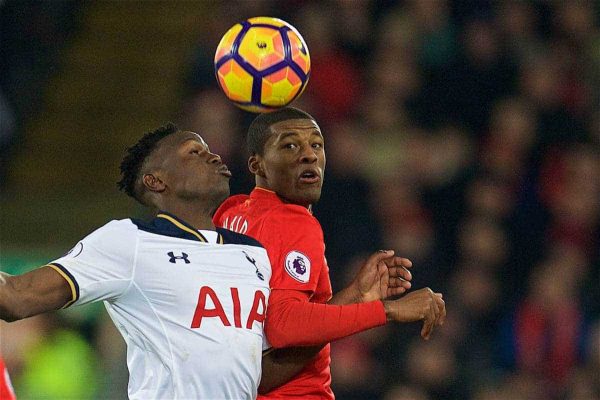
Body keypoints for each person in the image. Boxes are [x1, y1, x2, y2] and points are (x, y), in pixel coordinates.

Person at [0, 124, 275, 399]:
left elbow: (256, 365)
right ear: (156, 181)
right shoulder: (130, 241)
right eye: (195, 152)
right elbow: (16, 297)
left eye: (210, 151)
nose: (214, 157)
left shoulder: (254, 253)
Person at [214, 107, 447, 399]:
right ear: (257, 165)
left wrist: (355, 297)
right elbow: (284, 325)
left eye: (316, 144)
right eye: (290, 145)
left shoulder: (232, 213)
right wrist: (389, 311)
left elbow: (277, 331)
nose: (309, 155)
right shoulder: (294, 222)